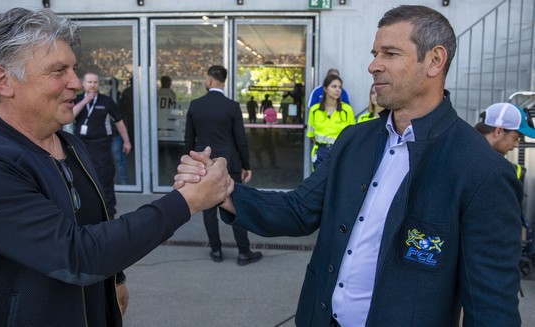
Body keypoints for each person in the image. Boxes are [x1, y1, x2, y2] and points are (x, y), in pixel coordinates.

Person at [175, 5, 523, 326]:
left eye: (390, 53)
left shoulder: (483, 172)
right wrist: (225, 190)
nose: (373, 65)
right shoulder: (354, 140)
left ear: (434, 61)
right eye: (374, 54)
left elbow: (491, 309)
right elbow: (299, 209)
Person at [0, 8, 230, 327]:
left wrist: (116, 278)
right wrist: (188, 200)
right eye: (59, 71)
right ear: (3, 81)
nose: (76, 83)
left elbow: (97, 222)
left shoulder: (71, 145)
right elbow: (76, 253)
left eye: (74, 68)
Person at [184, 65, 262, 266]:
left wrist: (192, 164)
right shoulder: (232, 106)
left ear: (209, 81)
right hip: (229, 162)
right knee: (234, 206)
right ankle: (243, 252)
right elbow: (240, 140)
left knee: (208, 208)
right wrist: (246, 165)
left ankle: (216, 250)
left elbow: (189, 140)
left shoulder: (195, 105)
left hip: (204, 162)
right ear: (223, 81)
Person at [73, 72, 132, 218]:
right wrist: (86, 101)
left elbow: (118, 121)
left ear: (98, 84)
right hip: (82, 146)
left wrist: (126, 141)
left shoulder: (106, 101)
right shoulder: (77, 99)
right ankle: (88, 211)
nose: (92, 85)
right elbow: (70, 116)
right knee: (82, 178)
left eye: (95, 82)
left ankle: (109, 213)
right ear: (84, 84)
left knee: (105, 178)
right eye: (90, 82)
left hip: (101, 146)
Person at [306, 74, 355, 171]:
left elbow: (352, 135)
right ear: (325, 89)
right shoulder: (314, 110)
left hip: (340, 153)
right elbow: (311, 134)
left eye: (340, 87)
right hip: (320, 152)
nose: (338, 90)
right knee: (318, 183)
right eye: (334, 86)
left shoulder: (347, 110)